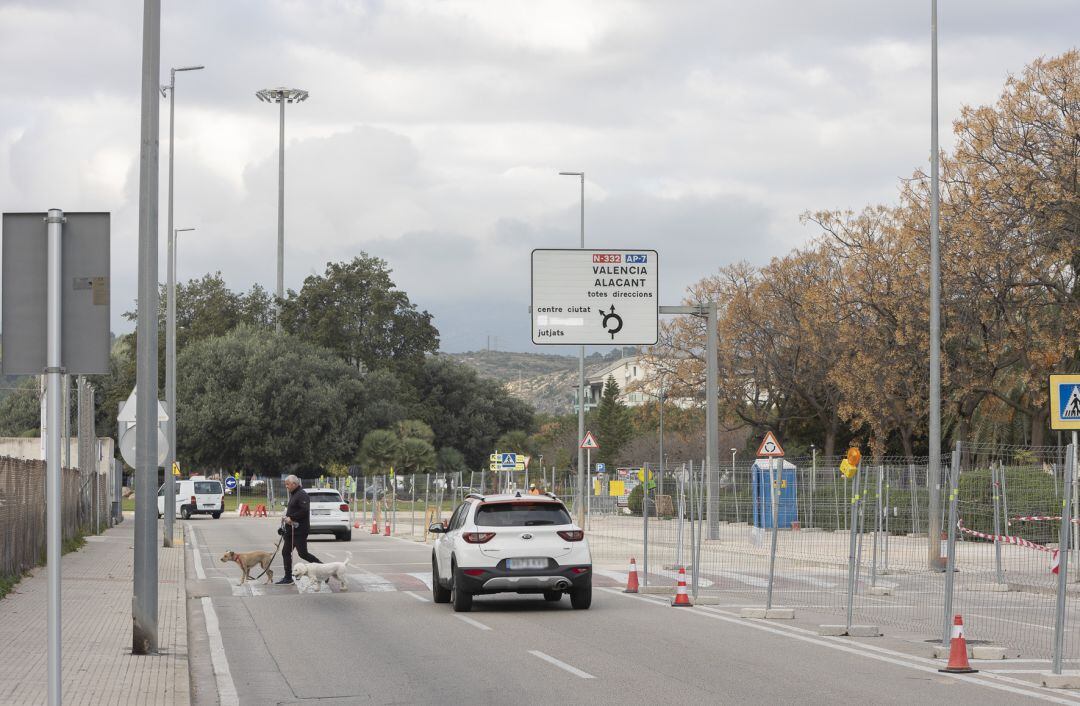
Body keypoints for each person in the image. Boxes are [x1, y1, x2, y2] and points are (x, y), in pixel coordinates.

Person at [276, 475, 322, 584]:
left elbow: (304, 510)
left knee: (303, 553)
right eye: (286, 484)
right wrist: (285, 519)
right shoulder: (294, 494)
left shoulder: (302, 494)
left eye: (288, 484)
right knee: (285, 552)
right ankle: (288, 577)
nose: (286, 486)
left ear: (294, 484)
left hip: (299, 530)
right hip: (291, 530)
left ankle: (322, 570)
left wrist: (291, 518)